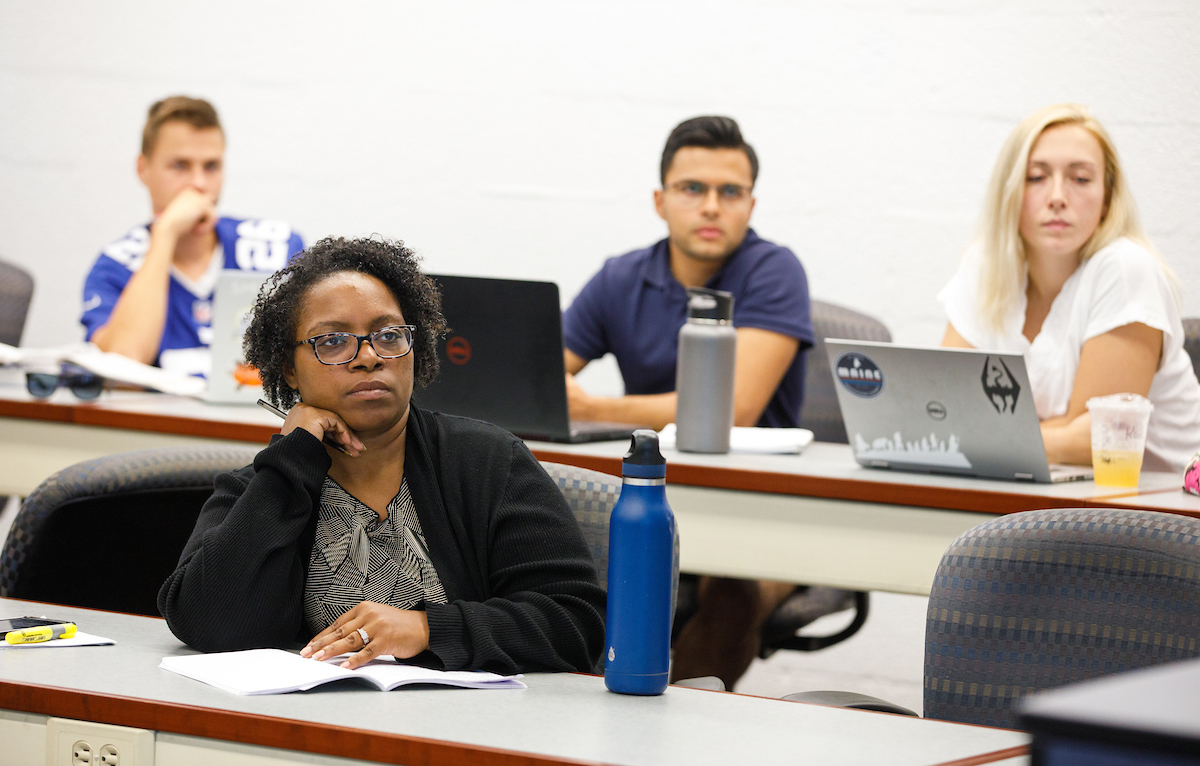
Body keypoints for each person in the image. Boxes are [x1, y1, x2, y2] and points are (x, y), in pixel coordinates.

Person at [158, 237, 605, 674]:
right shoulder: (260, 487)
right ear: (289, 369)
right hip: (312, 726)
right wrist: (290, 462)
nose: (369, 356)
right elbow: (207, 624)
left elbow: (575, 622)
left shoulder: (487, 462)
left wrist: (429, 628)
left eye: (388, 335)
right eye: (332, 341)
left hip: (472, 728)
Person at [562, 116, 813, 689]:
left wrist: (596, 407)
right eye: (692, 189)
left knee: (733, 595)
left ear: (751, 204)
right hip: (651, 492)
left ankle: (661, 737)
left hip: (760, 508)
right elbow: (541, 383)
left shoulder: (774, 271)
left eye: (730, 192)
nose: (711, 206)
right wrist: (565, 398)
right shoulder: (621, 277)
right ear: (660, 200)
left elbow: (728, 411)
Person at [939, 103, 1200, 472]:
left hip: (1159, 512)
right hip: (1037, 493)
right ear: (1010, 191)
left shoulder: (1126, 268)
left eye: (1080, 179)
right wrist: (962, 432)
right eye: (1036, 177)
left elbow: (1092, 442)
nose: (1058, 197)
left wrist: (971, 435)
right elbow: (944, 409)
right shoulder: (985, 264)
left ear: (1108, 197)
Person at [81, 96, 304, 376]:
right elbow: (123, 365)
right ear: (143, 169)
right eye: (180, 165)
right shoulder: (114, 266)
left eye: (211, 167)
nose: (199, 183)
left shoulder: (278, 249)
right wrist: (165, 234)